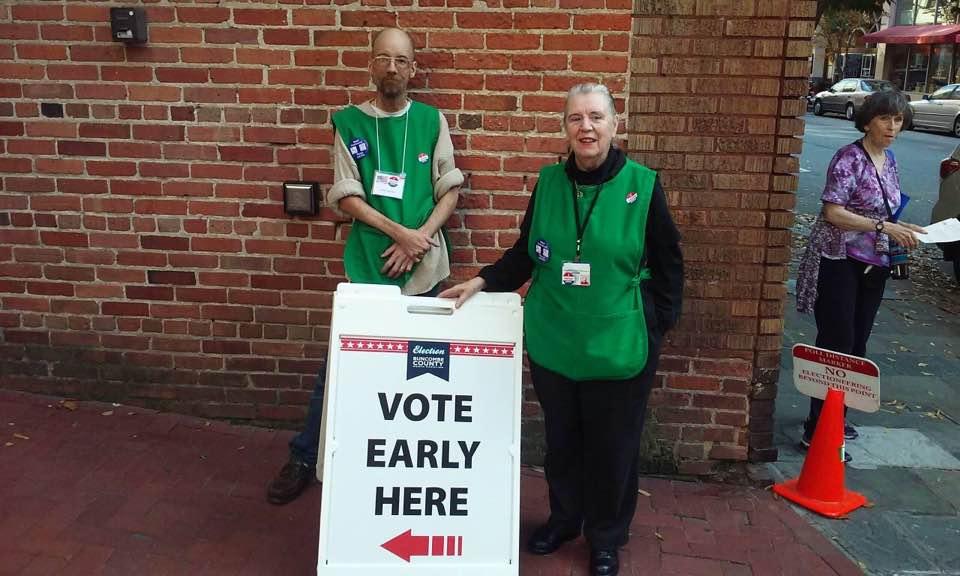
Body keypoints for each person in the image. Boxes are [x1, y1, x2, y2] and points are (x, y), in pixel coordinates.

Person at [439, 83, 683, 576]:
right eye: (575, 118)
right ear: (565, 128)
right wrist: (481, 282)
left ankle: (606, 536)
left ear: (615, 125)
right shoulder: (549, 182)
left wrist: (654, 326)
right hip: (554, 341)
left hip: (620, 344)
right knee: (563, 441)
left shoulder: (643, 184)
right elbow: (526, 253)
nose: (586, 127)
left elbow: (670, 267)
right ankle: (565, 519)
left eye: (596, 117)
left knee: (613, 447)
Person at [267, 27, 463, 505]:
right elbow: (347, 195)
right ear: (371, 66)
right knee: (339, 366)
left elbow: (450, 188)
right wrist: (400, 235)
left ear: (413, 69)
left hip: (424, 267)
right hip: (369, 264)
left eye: (401, 59)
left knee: (422, 368)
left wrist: (415, 244)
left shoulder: (432, 121)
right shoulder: (349, 123)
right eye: (383, 58)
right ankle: (304, 457)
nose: (392, 67)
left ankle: (413, 460)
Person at [796, 91, 924, 456]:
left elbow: (888, 210)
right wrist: (883, 227)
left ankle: (837, 415)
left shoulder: (891, 160)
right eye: (885, 119)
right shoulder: (849, 158)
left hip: (875, 263)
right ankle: (817, 427)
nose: (892, 127)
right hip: (840, 259)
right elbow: (832, 212)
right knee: (836, 341)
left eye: (898, 120)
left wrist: (904, 228)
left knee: (857, 344)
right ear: (867, 121)